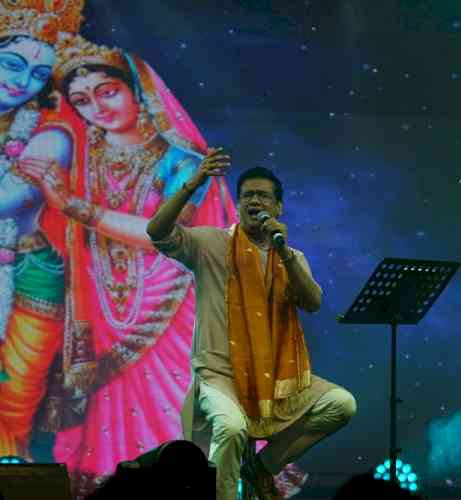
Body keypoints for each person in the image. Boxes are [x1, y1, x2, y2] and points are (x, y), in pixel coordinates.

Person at [17, 34, 236, 497]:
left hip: (173, 308)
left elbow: (164, 234)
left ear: (139, 92)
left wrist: (75, 206)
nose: (97, 106)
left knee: (176, 411)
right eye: (81, 100)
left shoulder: (185, 161)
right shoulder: (81, 160)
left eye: (107, 91)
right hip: (102, 313)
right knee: (114, 420)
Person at [147, 164, 357, 500]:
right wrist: (192, 184)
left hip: (275, 380)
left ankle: (261, 467)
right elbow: (157, 231)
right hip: (220, 374)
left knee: (341, 404)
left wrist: (284, 253)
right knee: (231, 429)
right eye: (247, 195)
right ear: (239, 203)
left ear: (278, 208)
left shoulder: (289, 256)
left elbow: (313, 302)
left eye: (262, 195)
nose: (253, 201)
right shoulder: (211, 243)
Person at [0, 0, 85, 459]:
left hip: (27, 266)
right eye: (12, 64)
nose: (22, 81)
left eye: (37, 76)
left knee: (18, 381)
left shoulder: (51, 134)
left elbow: (5, 203)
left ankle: (10, 456)